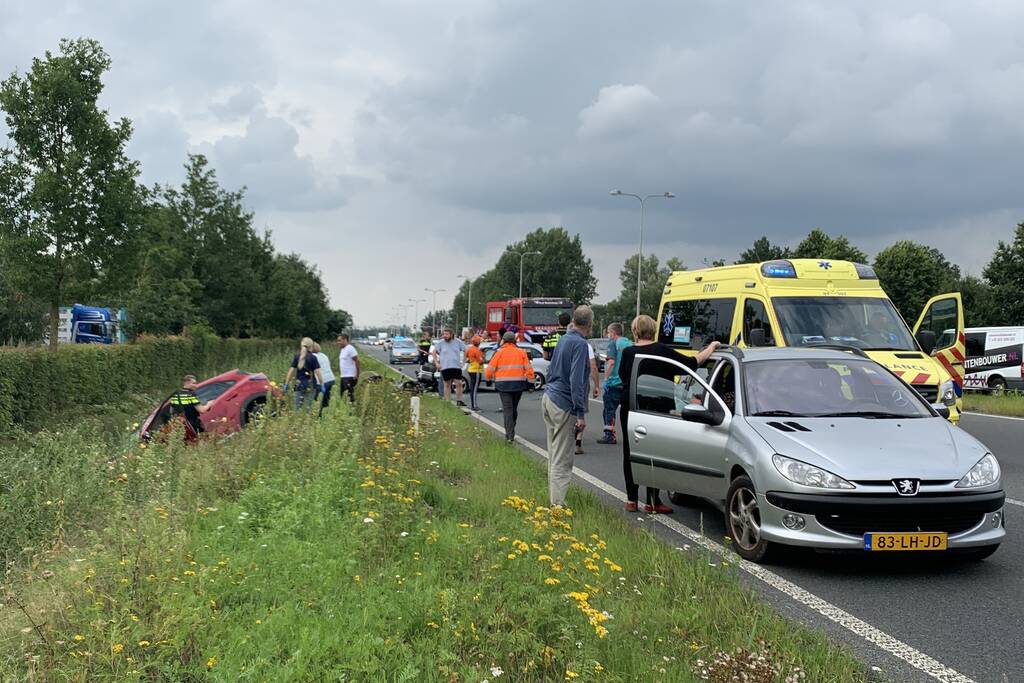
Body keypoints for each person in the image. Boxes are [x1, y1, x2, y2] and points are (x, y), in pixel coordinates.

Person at [617, 315, 720, 513]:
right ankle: (652, 501)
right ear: (653, 330)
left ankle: (631, 500)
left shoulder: (629, 352)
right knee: (654, 452)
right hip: (657, 408)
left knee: (630, 452)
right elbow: (691, 363)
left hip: (631, 406)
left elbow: (623, 375)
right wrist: (711, 348)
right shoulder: (662, 351)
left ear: (635, 331)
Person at [543, 305, 594, 508]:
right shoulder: (580, 345)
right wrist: (580, 413)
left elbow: (551, 368)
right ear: (590, 324)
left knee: (553, 454)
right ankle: (557, 505)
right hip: (564, 403)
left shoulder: (563, 339)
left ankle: (554, 498)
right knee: (563, 458)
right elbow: (576, 380)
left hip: (549, 397)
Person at [485, 332, 535, 441]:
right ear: (514, 341)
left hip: (503, 385)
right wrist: (531, 384)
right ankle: (512, 427)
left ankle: (509, 435)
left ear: (503, 341)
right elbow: (529, 369)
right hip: (518, 384)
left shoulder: (499, 353)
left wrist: (488, 379)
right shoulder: (521, 352)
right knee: (514, 408)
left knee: (507, 409)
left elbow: (490, 369)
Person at [596, 322, 632, 445]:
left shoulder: (613, 343)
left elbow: (611, 363)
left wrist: (606, 379)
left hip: (614, 383)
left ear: (613, 333)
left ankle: (610, 435)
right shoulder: (629, 343)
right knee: (627, 412)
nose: (607, 335)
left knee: (609, 410)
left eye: (608, 333)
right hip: (627, 383)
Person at [574, 330, 600, 455]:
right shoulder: (586, 345)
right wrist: (596, 385)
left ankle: (567, 440)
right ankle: (577, 442)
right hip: (581, 383)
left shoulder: (563, 343)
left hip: (564, 384)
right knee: (580, 410)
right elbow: (593, 366)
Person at [284, 337, 324, 411]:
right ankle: (307, 421)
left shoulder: (297, 357)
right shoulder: (313, 358)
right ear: (311, 347)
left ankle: (296, 421)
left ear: (301, 345)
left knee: (297, 409)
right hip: (310, 386)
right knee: (308, 409)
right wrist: (322, 384)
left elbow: (291, 371)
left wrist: (286, 384)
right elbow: (318, 373)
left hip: (299, 385)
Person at [169, 374, 210, 441]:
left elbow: (171, 408)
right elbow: (202, 410)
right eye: (193, 383)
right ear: (187, 383)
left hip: (178, 424)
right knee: (203, 441)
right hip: (192, 424)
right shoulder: (191, 395)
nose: (196, 385)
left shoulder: (175, 394)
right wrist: (209, 404)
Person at [433, 327, 467, 406]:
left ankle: (459, 400)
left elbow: (465, 350)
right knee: (447, 384)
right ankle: (448, 401)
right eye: (444, 334)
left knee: (458, 383)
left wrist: (463, 362)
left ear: (451, 335)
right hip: (445, 366)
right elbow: (434, 352)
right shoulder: (441, 343)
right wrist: (436, 363)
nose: (445, 336)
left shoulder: (458, 342)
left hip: (456, 366)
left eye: (446, 334)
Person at [312, 342, 335, 417]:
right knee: (326, 399)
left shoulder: (312, 356)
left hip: (322, 381)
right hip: (331, 379)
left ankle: (318, 416)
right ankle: (325, 415)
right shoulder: (323, 355)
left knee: (317, 400)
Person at [337, 333, 360, 403]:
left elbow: (357, 361)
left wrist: (357, 374)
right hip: (343, 377)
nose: (338, 342)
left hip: (350, 377)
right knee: (343, 396)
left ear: (345, 340)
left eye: (339, 340)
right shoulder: (342, 350)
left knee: (349, 397)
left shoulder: (350, 349)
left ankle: (351, 412)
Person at [465, 335, 485, 411]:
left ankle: (473, 404)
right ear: (478, 342)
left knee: (472, 388)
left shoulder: (469, 349)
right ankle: (474, 405)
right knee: (475, 388)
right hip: (476, 370)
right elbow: (481, 362)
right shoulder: (477, 350)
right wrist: (483, 356)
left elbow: (467, 357)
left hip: (471, 369)